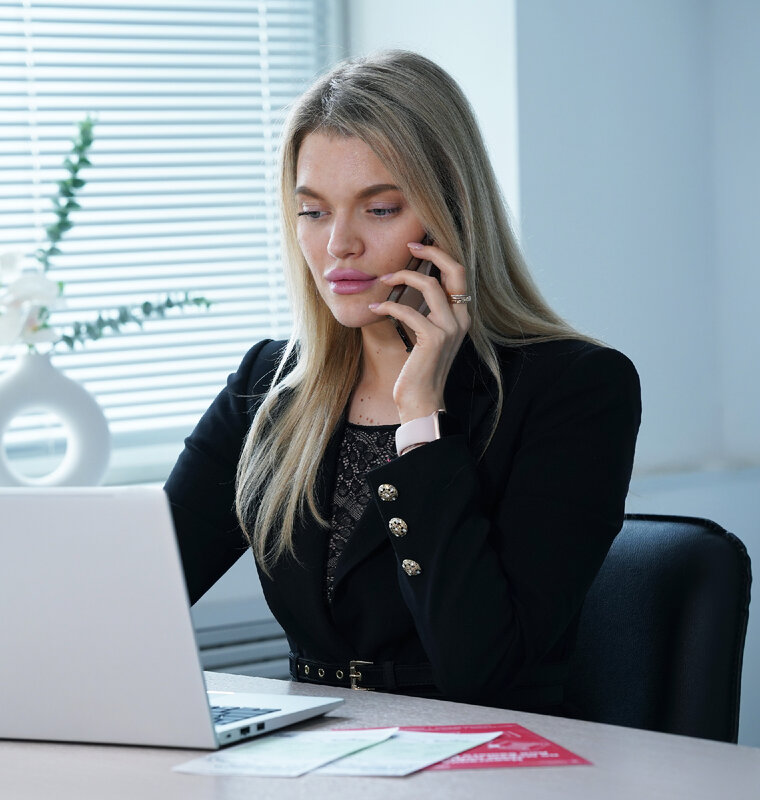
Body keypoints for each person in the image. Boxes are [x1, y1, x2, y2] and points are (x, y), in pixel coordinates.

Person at [164, 50, 641, 714]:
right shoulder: (267, 385)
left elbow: (484, 671)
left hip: (487, 761)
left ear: (452, 217)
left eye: (379, 208)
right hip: (306, 763)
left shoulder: (575, 391)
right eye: (313, 211)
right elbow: (136, 597)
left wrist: (421, 414)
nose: (338, 246)